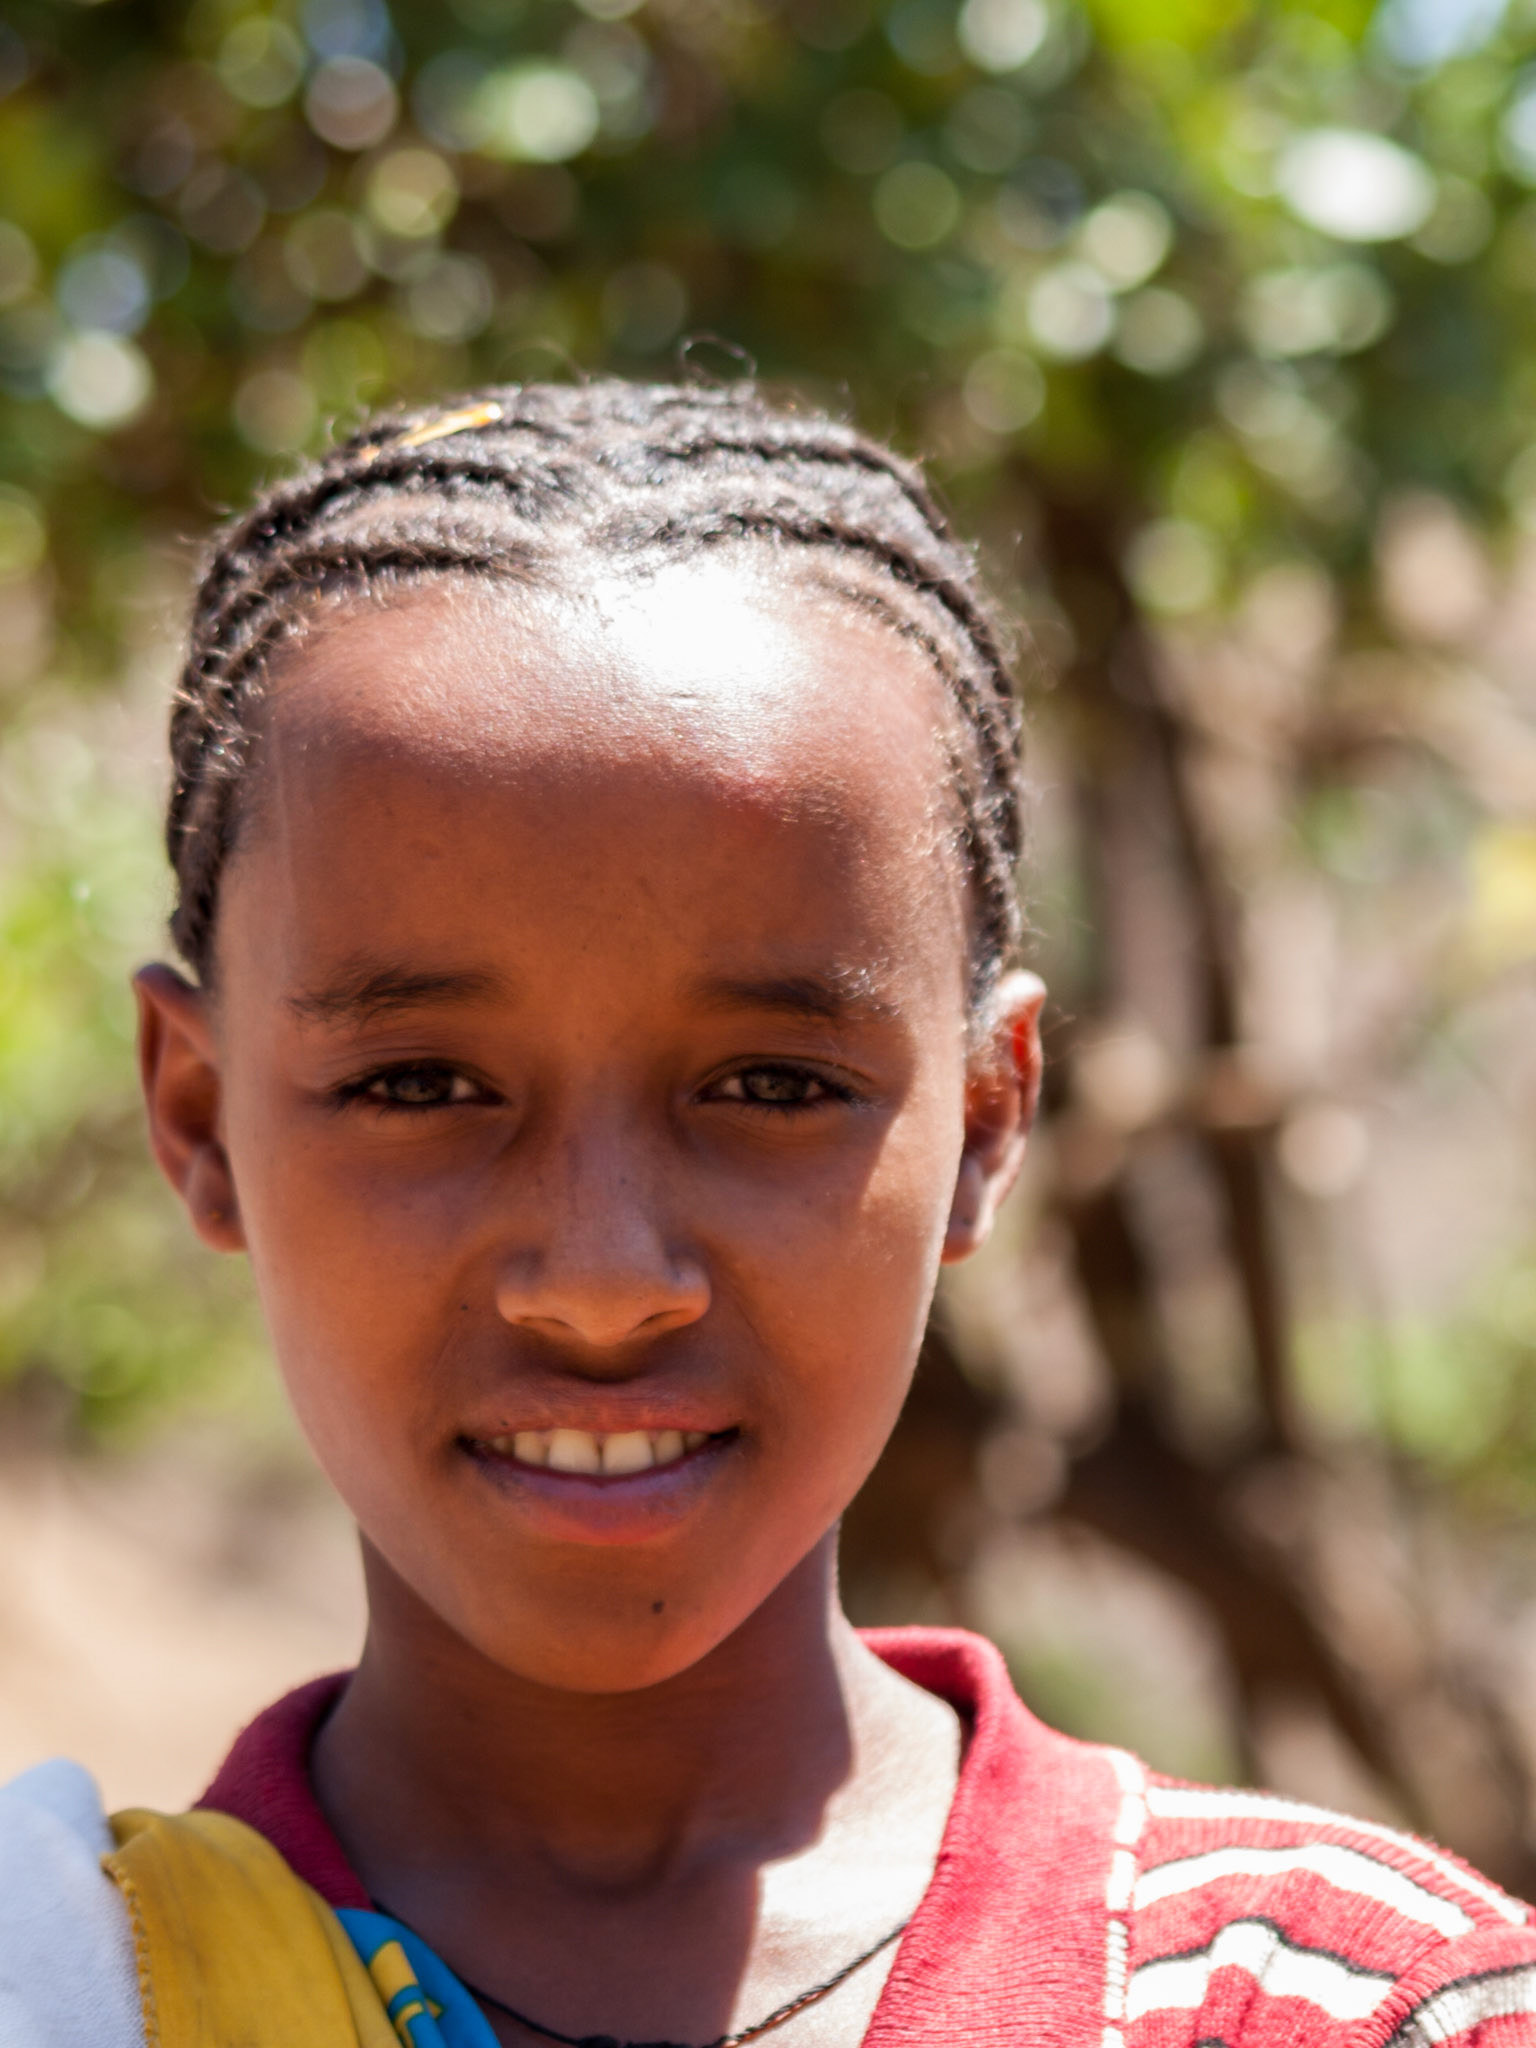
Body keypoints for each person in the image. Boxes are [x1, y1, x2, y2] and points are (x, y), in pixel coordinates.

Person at [2, 378, 1533, 2048]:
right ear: (199, 1116)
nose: (601, 1282)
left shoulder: (1341, 2007)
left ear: (986, 1116)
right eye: (424, 1085)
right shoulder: (72, 1993)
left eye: (774, 1088)